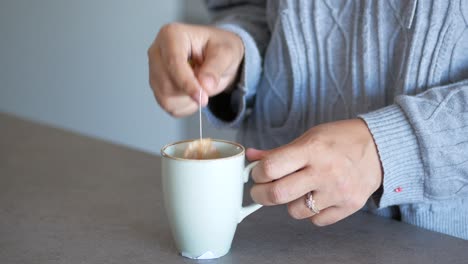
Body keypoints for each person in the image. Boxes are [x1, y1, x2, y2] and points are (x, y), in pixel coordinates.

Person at [148, 0, 468, 240]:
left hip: (437, 240)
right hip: (271, 230)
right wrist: (235, 49)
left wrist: (394, 147)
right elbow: (249, 7)